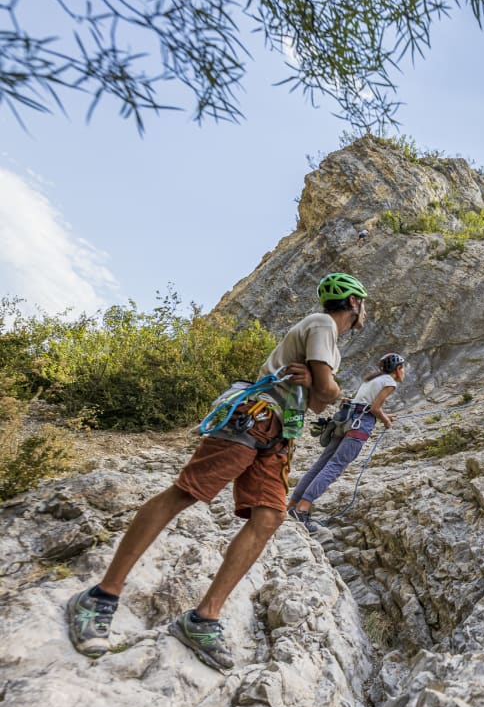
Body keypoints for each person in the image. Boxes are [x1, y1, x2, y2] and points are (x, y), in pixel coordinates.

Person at [66, 273, 368, 672]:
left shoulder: (326, 341)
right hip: (256, 417)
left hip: (277, 431)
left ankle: (203, 618)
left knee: (269, 517)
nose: (364, 312)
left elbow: (315, 403)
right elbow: (325, 395)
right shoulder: (322, 324)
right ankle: (100, 596)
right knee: (185, 492)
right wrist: (326, 386)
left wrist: (320, 385)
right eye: (363, 304)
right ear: (354, 303)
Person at [288, 352, 405, 532]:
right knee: (335, 466)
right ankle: (302, 509)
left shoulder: (371, 379)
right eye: (403, 368)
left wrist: (384, 416)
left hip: (345, 421)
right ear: (398, 368)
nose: (403, 372)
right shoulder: (390, 382)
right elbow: (375, 408)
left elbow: (365, 404)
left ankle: (292, 505)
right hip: (359, 425)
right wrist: (386, 421)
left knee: (321, 464)